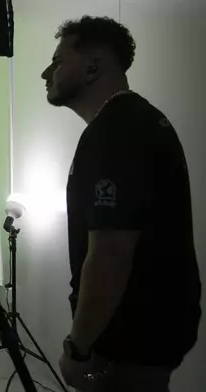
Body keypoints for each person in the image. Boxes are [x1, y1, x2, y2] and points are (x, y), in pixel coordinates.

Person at [41, 16, 202, 391]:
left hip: (131, 341)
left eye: (58, 61)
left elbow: (111, 255)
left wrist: (77, 348)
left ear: (93, 66)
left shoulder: (114, 131)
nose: (45, 73)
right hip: (153, 331)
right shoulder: (139, 120)